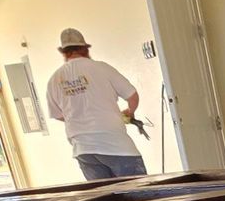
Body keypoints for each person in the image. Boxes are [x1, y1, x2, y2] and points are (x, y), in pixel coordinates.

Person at [44, 28, 148, 181]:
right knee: (141, 196)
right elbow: (132, 96)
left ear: (64, 52)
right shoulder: (101, 68)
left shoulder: (54, 79)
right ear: (85, 48)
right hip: (115, 145)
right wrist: (130, 111)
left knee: (105, 199)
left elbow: (59, 115)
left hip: (83, 149)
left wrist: (81, 117)